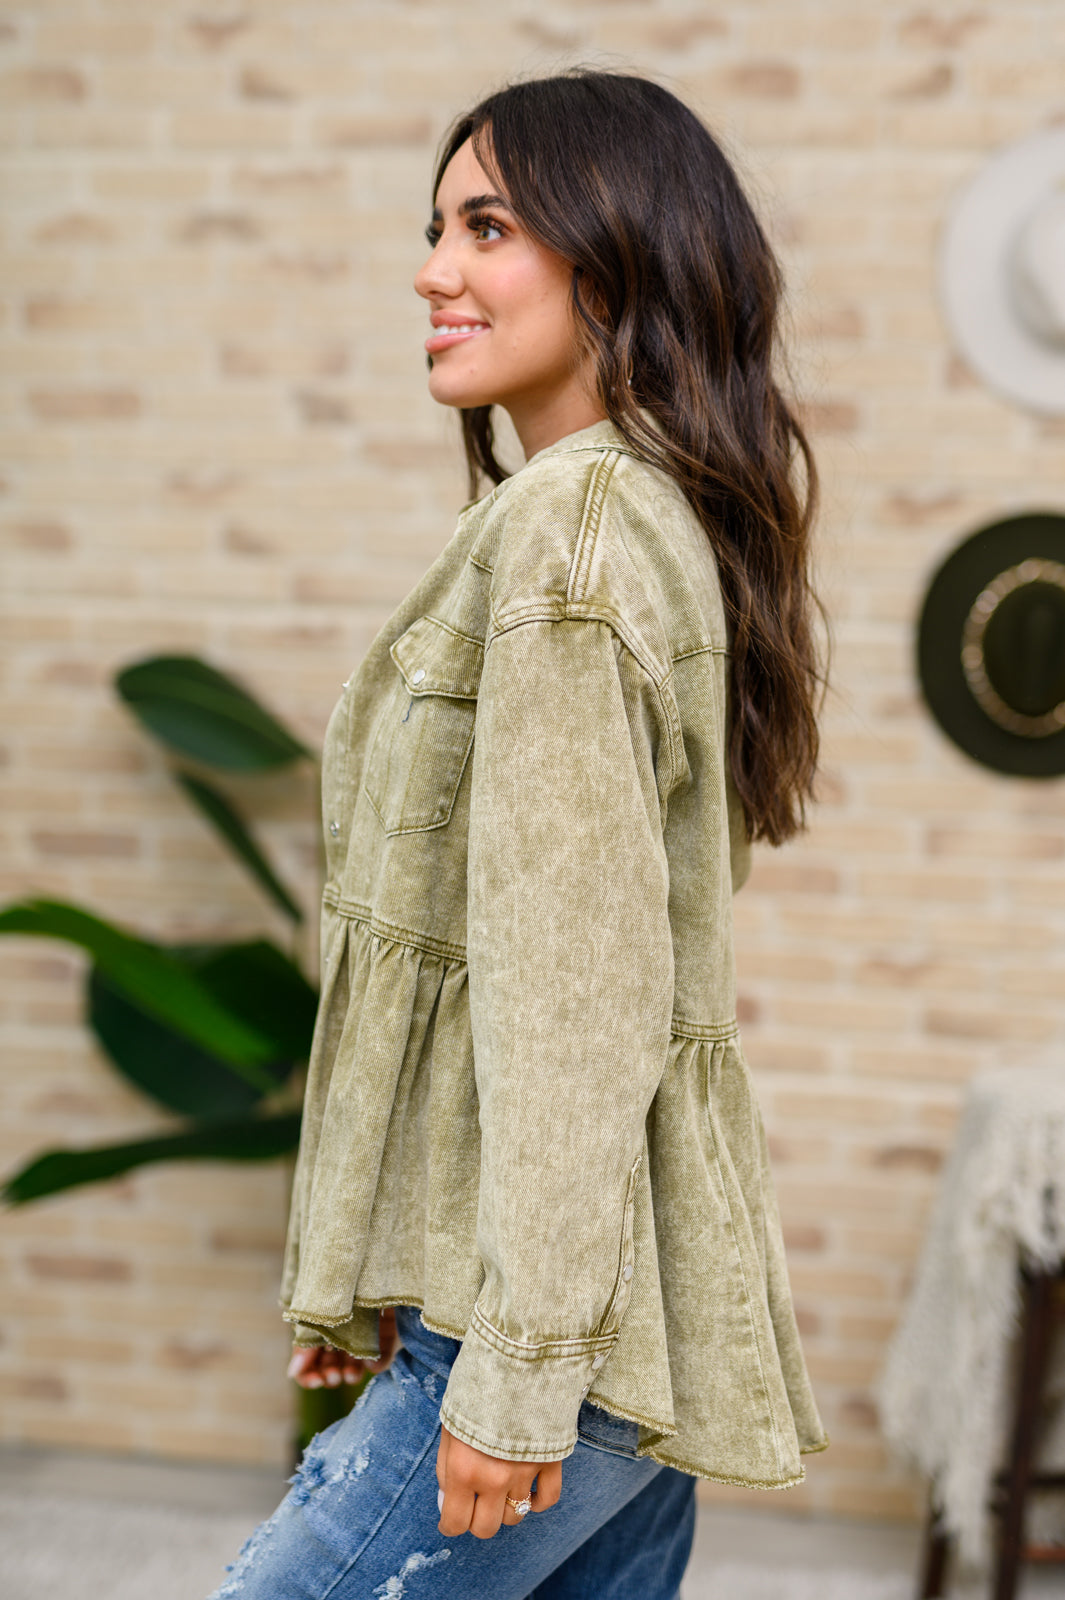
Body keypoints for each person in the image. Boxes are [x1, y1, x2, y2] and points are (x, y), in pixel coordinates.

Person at [208, 67, 828, 1600]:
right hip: (613, 1322)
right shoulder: (648, 510)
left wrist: (517, 1368)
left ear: (616, 256)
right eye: (436, 229)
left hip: (544, 1340)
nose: (433, 271)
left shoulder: (571, 534)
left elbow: (572, 994)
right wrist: (385, 1244)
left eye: (486, 227)